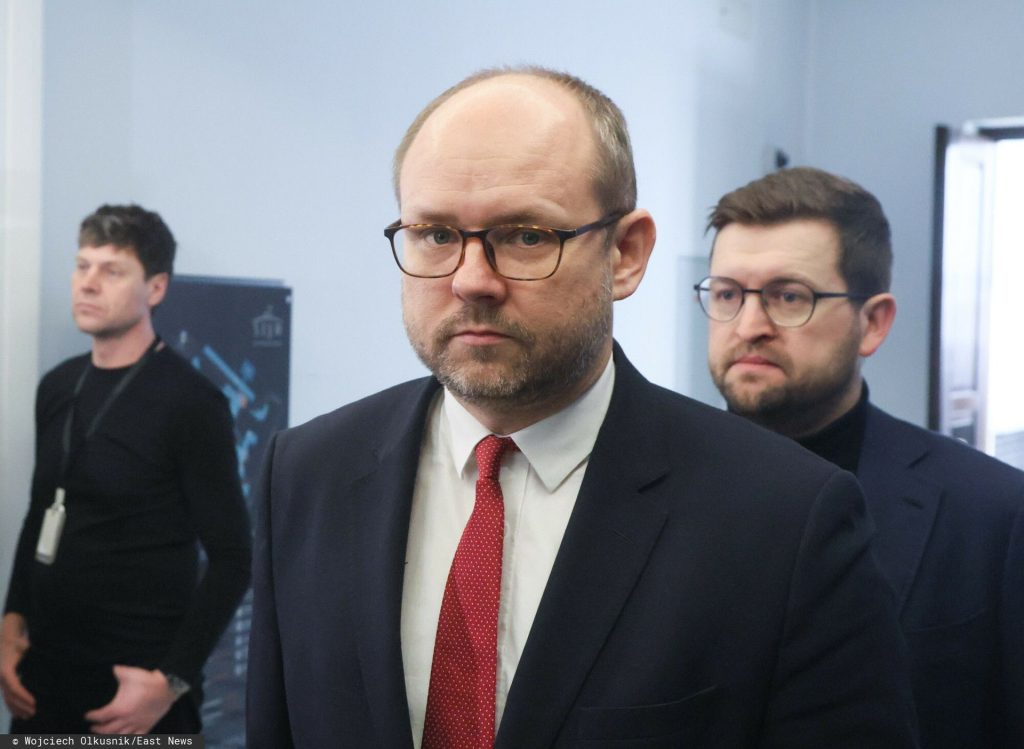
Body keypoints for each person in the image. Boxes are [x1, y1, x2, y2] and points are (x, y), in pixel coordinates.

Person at [246, 68, 918, 748]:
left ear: (625, 254)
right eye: (436, 234)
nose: (472, 280)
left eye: (526, 235)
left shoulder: (783, 517)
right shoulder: (306, 474)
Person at [700, 166, 1024, 749]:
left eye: (788, 296)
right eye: (727, 294)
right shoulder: (638, 488)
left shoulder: (994, 512)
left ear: (872, 323)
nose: (749, 326)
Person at [1, 204, 252, 735]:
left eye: (112, 270)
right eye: (82, 266)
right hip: (44, 681)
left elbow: (234, 559)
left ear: (155, 288)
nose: (88, 283)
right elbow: (41, 512)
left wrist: (173, 679)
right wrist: (11, 621)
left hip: (138, 691)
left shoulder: (191, 402)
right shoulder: (58, 385)